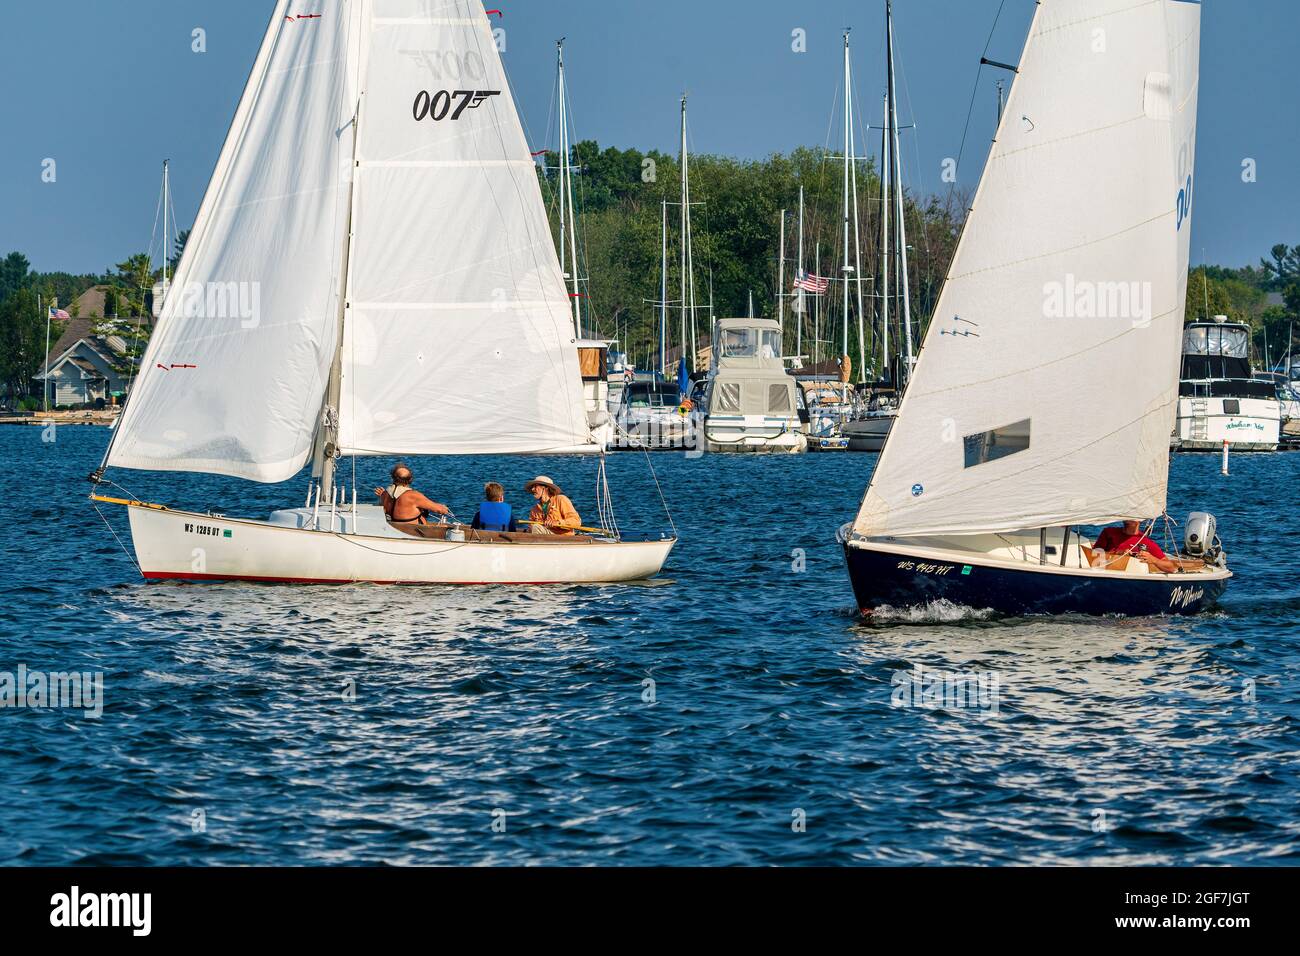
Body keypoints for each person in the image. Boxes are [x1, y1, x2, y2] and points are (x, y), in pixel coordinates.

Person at [373, 463, 450, 525]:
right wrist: (444, 508)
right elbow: (440, 510)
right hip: (413, 532)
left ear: (392, 477)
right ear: (410, 480)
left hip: (394, 529)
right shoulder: (413, 496)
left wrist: (382, 494)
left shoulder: (385, 494)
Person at [1092, 519, 1178, 573]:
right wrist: (1117, 553)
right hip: (1107, 573)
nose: (1130, 517)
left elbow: (1172, 567)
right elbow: (1093, 556)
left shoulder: (1147, 542)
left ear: (1141, 519)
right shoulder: (1108, 532)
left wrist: (1153, 559)